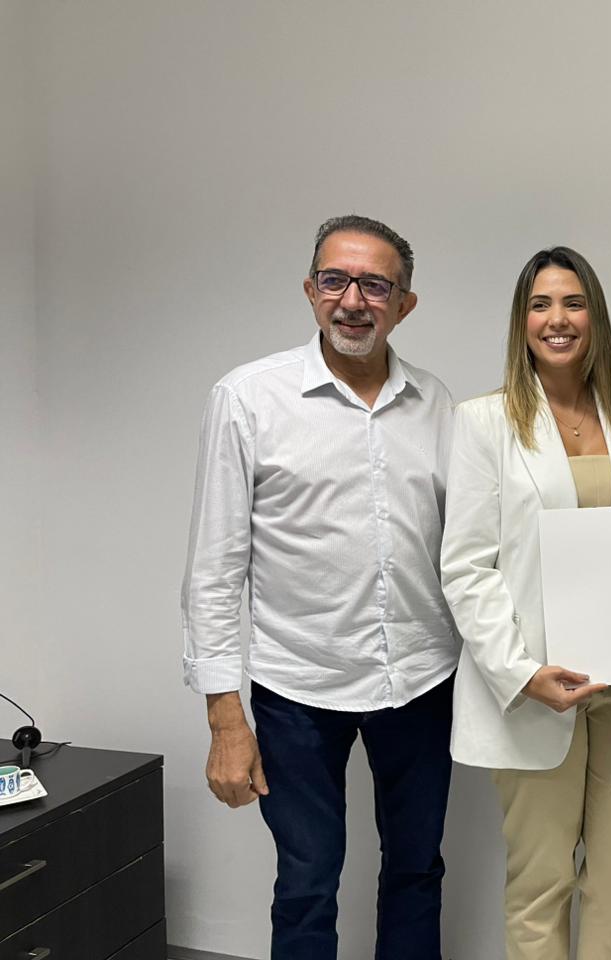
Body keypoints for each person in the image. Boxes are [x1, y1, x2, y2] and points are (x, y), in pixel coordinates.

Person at [180, 215, 458, 960]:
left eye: (376, 285)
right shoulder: (248, 399)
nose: (353, 300)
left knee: (417, 870)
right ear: (310, 290)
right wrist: (225, 719)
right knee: (307, 882)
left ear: (405, 305)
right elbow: (214, 568)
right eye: (335, 280)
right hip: (297, 687)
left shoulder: (438, 405)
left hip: (421, 681)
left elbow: (466, 547)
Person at [441, 246, 611, 960]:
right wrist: (520, 674)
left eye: (573, 303)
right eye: (540, 304)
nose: (558, 319)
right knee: (540, 885)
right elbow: (466, 567)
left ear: (595, 317)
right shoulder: (483, 421)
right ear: (521, 322)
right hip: (537, 687)